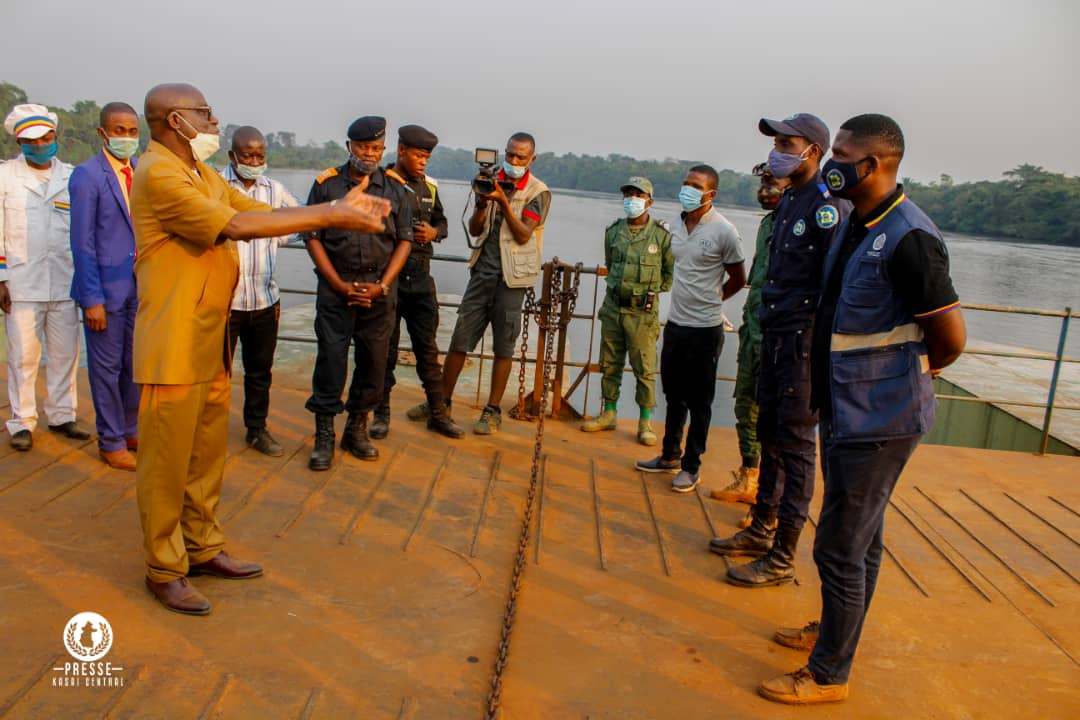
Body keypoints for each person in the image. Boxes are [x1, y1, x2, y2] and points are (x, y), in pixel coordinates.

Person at [131, 83, 389, 615]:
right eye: (203, 113)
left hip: (209, 336)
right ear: (175, 121)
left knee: (205, 456)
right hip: (173, 338)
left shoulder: (199, 174)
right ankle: (164, 566)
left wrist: (334, 206)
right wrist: (332, 214)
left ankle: (202, 547)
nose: (212, 119)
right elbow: (238, 225)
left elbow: (253, 208)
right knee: (166, 463)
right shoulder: (158, 173)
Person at [759, 114, 966, 704]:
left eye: (843, 155)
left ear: (872, 164)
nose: (832, 164)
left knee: (838, 544)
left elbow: (949, 339)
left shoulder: (909, 238)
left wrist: (900, 380)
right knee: (862, 538)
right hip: (847, 407)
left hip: (881, 416)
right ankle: (832, 634)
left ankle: (829, 673)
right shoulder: (858, 221)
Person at [710, 114, 849, 588]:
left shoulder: (827, 207)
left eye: (787, 143)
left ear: (814, 150)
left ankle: (784, 554)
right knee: (768, 431)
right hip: (773, 333)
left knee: (796, 446)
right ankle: (761, 527)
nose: (777, 152)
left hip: (802, 344)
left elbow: (836, 282)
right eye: (777, 144)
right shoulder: (789, 200)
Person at [408, 132, 550, 435]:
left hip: (512, 280)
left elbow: (524, 234)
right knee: (460, 340)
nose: (513, 161)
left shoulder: (538, 192)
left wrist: (503, 201)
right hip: (481, 273)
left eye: (520, 157)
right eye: (510, 155)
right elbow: (474, 230)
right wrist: (484, 204)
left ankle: (492, 411)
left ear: (531, 159)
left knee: (503, 348)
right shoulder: (489, 180)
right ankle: (440, 403)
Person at [304, 116, 413, 469]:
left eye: (377, 149)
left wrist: (382, 286)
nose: (370, 154)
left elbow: (404, 241)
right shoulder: (326, 185)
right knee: (331, 361)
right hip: (337, 287)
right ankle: (324, 435)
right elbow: (312, 237)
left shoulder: (396, 188)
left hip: (379, 290)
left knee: (373, 363)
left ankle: (357, 429)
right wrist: (337, 283)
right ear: (349, 145)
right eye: (364, 147)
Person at [636, 165, 746, 492]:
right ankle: (669, 454)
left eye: (695, 186)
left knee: (700, 400)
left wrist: (715, 298)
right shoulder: (677, 225)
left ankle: (691, 465)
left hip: (705, 328)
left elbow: (739, 279)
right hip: (677, 325)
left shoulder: (724, 231)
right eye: (685, 183)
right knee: (673, 392)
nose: (688, 189)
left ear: (710, 194)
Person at [0, 104, 90, 452]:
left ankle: (62, 414)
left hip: (65, 280)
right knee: (22, 356)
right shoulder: (6, 177)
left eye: (46, 137)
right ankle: (21, 421)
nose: (40, 144)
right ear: (21, 141)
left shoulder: (72, 177)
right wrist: (1, 277)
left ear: (56, 137)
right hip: (22, 282)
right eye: (32, 140)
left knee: (65, 353)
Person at [370, 124, 462, 440]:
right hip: (391, 279)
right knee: (386, 352)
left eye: (427, 157)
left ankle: (438, 414)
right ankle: (380, 414)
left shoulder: (428, 187)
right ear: (401, 151)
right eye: (418, 155)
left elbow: (443, 222)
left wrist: (434, 232)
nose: (423, 162)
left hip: (422, 280)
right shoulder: (380, 184)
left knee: (427, 350)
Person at [710, 162, 790, 515]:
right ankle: (750, 477)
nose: (765, 188)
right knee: (746, 403)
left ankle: (772, 506)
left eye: (772, 182)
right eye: (763, 182)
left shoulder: (801, 226)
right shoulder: (768, 224)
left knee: (776, 418)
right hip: (754, 327)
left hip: (779, 335)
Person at [69, 102, 142, 471]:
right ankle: (110, 440)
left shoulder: (141, 171)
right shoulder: (88, 176)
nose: (126, 138)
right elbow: (82, 243)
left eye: (132, 131)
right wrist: (91, 297)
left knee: (134, 365)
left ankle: (130, 429)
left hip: (138, 290)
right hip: (104, 291)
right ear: (102, 133)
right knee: (106, 368)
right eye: (119, 131)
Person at [222, 126, 300, 457]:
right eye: (248, 155)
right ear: (232, 156)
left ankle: (257, 429)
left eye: (260, 155)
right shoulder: (215, 186)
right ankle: (206, 429)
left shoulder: (275, 190)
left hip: (264, 298)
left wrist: (279, 235)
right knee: (215, 373)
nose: (255, 161)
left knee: (259, 371)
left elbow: (299, 220)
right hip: (225, 301)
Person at [581, 176, 673, 445]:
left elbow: (668, 274)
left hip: (642, 314)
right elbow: (611, 264)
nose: (632, 199)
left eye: (638, 195)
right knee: (610, 363)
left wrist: (648, 291)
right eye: (628, 194)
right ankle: (608, 413)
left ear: (649, 201)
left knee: (644, 367)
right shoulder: (613, 232)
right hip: (613, 308)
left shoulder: (661, 236)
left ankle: (645, 422)